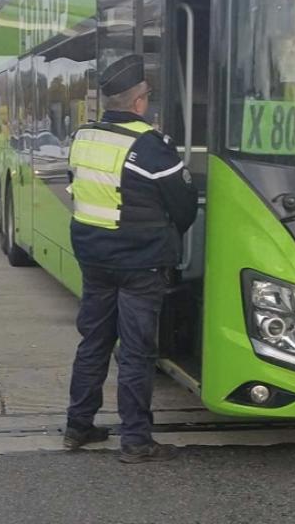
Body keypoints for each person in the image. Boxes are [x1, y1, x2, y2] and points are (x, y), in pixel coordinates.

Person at [63, 54, 199, 464]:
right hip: (140, 264)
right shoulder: (151, 146)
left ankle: (78, 426)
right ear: (140, 100)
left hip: (94, 258)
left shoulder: (83, 137)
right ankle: (136, 440)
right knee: (138, 351)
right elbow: (184, 206)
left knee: (94, 342)